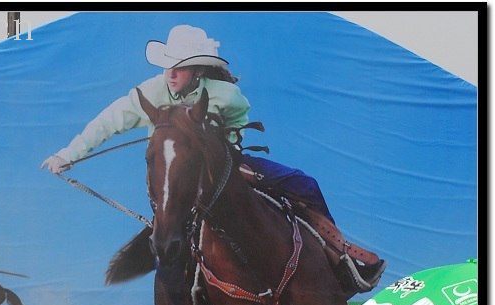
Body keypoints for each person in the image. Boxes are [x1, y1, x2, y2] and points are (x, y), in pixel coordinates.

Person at [41, 24, 384, 288]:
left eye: (179, 68)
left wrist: (230, 146)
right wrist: (67, 155)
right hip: (174, 179)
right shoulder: (148, 93)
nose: (170, 75)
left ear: (198, 71)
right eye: (167, 68)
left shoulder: (227, 94)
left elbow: (240, 122)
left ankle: (338, 257)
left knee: (303, 183)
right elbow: (106, 123)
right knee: (170, 242)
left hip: (224, 166)